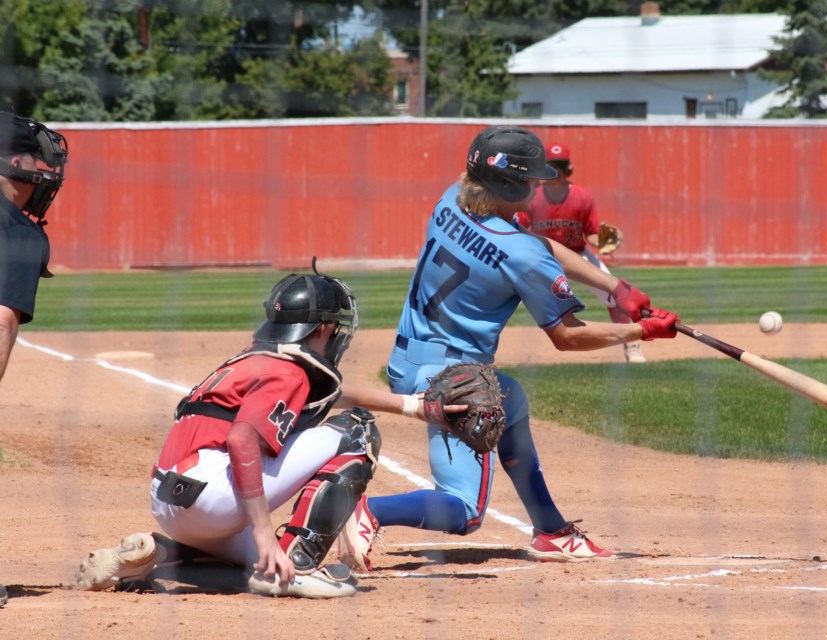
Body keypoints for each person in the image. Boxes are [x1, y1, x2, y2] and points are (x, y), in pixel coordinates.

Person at [336, 125, 679, 571]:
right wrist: (641, 332)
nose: (539, 187)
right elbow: (567, 336)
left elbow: (537, 243)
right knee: (465, 509)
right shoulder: (521, 255)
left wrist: (616, 287)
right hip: (453, 382)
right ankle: (368, 512)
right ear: (514, 185)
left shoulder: (451, 200)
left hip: (407, 360)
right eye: (533, 180)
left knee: (511, 398)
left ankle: (551, 531)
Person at [76, 268, 464, 599]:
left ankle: (161, 555)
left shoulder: (259, 358)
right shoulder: (289, 371)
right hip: (213, 499)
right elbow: (242, 439)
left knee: (261, 572)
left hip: (170, 505)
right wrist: (263, 531)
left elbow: (329, 395)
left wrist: (414, 406)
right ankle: (298, 559)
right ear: (325, 327)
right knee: (356, 431)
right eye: (337, 324)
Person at [0, 111, 69, 608]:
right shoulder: (20, 234)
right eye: (41, 161)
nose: (48, 173)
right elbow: (1, 320)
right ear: (18, 163)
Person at [514, 141, 646, 363]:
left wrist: (603, 242)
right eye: (552, 165)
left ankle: (631, 345)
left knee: (615, 292)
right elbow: (520, 229)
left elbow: (591, 234)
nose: (556, 171)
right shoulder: (532, 197)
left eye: (561, 165)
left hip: (578, 254)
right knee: (506, 292)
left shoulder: (583, 197)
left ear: (570, 168)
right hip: (541, 256)